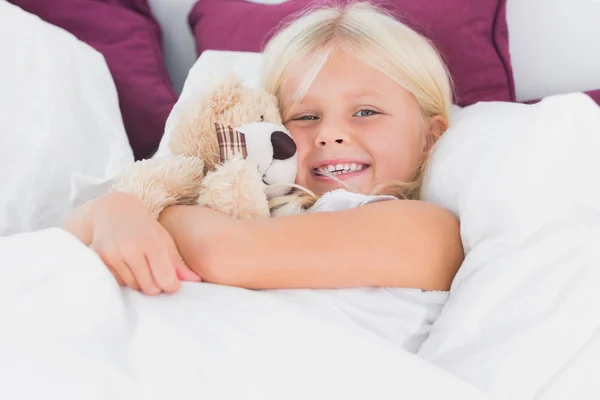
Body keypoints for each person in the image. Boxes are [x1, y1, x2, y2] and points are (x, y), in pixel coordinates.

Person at [62, 1, 464, 297]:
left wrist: (151, 212)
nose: (329, 134)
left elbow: (224, 254)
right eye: (306, 117)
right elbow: (62, 244)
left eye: (365, 111)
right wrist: (114, 211)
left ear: (430, 137)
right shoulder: (245, 206)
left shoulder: (427, 229)